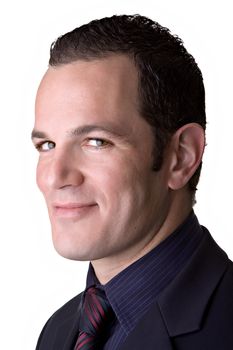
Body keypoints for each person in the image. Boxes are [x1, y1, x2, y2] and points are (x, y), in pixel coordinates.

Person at [32, 14, 233, 350]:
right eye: (47, 145)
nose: (54, 176)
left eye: (96, 141)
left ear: (180, 156)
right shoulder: (57, 331)